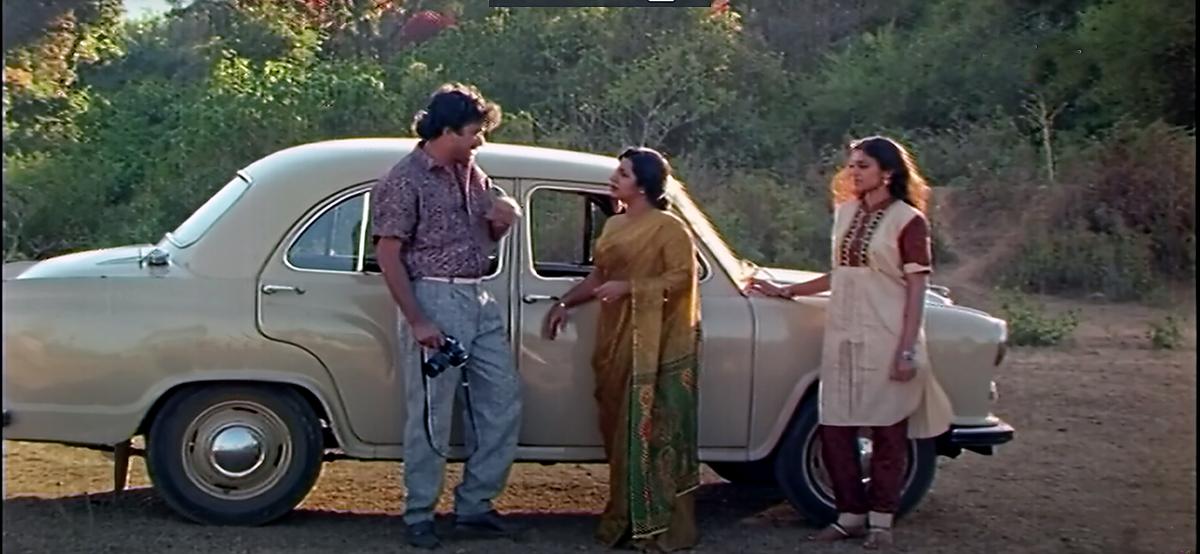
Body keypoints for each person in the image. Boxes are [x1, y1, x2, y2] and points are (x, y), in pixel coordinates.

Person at [747, 136, 953, 550]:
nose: (854, 172)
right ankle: (849, 516)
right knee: (835, 425)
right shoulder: (845, 215)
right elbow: (839, 274)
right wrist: (786, 290)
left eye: (863, 165)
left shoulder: (907, 220)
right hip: (843, 335)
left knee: (888, 431)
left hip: (888, 334)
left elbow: (916, 287)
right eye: (852, 165)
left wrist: (907, 348)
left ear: (888, 172)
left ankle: (881, 522)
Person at [371, 83, 524, 550]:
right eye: (475, 133)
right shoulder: (404, 180)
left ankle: (475, 504)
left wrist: (501, 220)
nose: (480, 142)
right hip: (433, 297)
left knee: (502, 399)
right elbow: (389, 255)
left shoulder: (470, 170)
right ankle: (419, 512)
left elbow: (481, 235)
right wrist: (419, 320)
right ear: (448, 131)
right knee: (432, 413)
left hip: (478, 296)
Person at [542, 147, 701, 552]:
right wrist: (564, 303)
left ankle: (654, 523)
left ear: (644, 184)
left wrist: (630, 288)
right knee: (617, 428)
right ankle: (624, 518)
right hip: (613, 336)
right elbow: (599, 277)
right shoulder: (613, 225)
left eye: (624, 173)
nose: (615, 178)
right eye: (618, 171)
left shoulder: (669, 228)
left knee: (648, 429)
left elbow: (682, 278)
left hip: (654, 344)